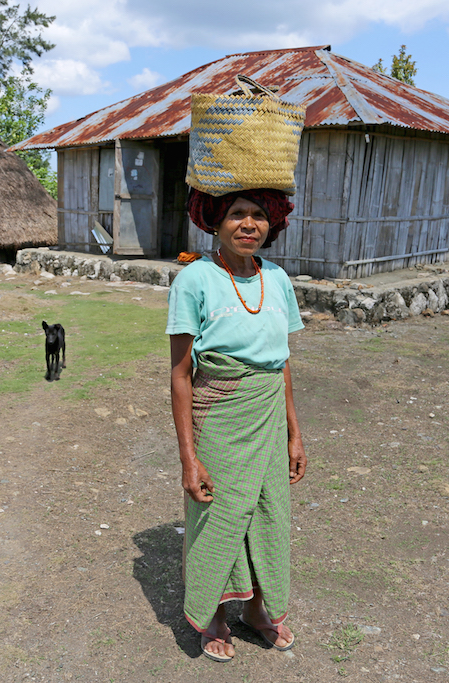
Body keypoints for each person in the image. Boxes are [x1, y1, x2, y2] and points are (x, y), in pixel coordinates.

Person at [167, 187, 307, 663]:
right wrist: (189, 458)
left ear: (272, 224)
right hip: (220, 416)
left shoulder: (278, 280)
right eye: (236, 214)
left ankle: (256, 609)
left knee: (269, 513)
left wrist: (294, 434)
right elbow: (181, 374)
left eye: (258, 215)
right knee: (219, 517)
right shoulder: (195, 279)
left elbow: (281, 363)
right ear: (215, 221)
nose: (249, 224)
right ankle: (213, 614)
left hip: (268, 415)